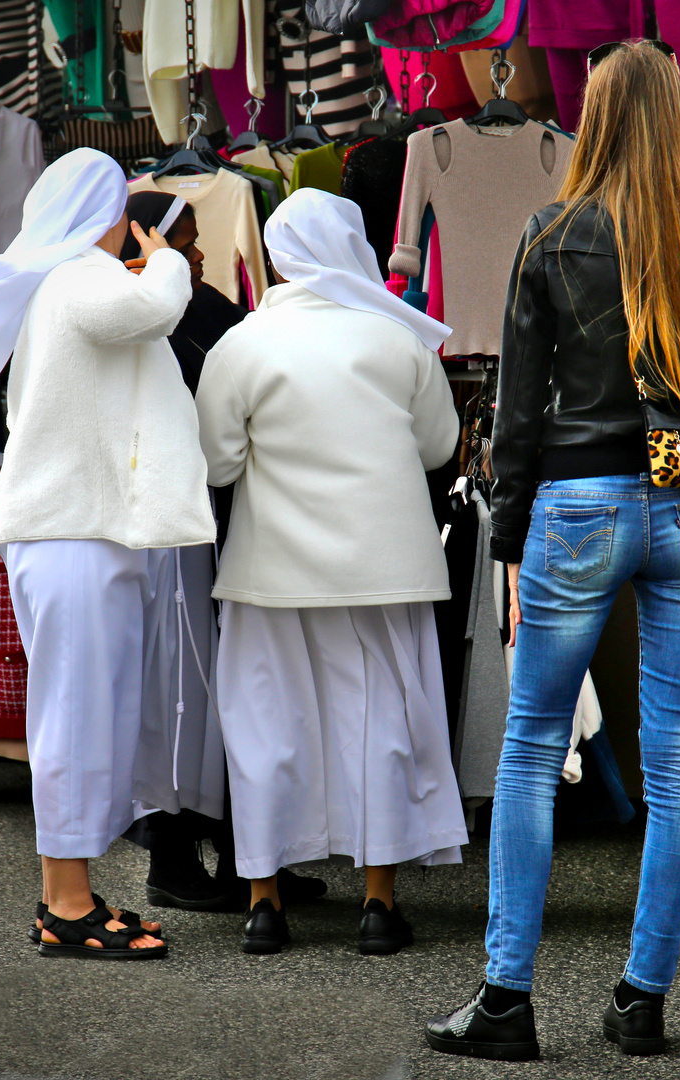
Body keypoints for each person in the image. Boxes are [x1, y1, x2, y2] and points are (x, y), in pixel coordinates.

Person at [426, 42, 680, 1058]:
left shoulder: (553, 235)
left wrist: (510, 537)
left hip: (577, 505)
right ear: (676, 123)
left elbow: (520, 418)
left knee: (532, 750)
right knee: (676, 758)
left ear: (595, 121)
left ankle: (506, 1002)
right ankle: (641, 1001)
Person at [0, 148, 226, 960]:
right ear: (104, 212)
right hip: (72, 536)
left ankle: (73, 896)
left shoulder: (63, 285)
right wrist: (164, 264)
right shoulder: (80, 280)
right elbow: (148, 312)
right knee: (76, 715)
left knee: (85, 712)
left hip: (76, 535)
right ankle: (66, 904)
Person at [193, 188, 470, 956]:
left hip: (269, 571)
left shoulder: (242, 345)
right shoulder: (399, 342)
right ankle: (378, 905)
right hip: (386, 570)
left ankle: (263, 903)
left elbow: (217, 462)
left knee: (265, 726)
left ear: (279, 255)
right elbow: (437, 446)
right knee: (379, 723)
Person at [116, 191, 328, 914]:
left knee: (239, 690)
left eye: (199, 236)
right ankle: (170, 859)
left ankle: (250, 858)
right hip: (165, 533)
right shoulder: (131, 309)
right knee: (178, 690)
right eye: (182, 236)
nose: (199, 251)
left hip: (227, 519)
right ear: (138, 240)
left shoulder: (209, 307)